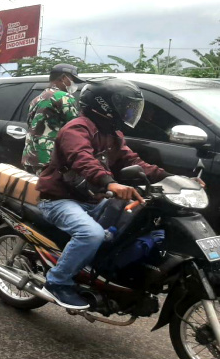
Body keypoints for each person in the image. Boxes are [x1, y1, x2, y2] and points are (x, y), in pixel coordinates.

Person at [36, 78, 205, 309]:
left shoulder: (113, 134)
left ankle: (100, 270)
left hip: (92, 199)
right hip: (60, 199)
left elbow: (135, 162)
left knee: (141, 217)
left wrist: (173, 179)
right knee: (91, 235)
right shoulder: (77, 128)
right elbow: (81, 158)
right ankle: (57, 282)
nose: (129, 111)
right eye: (125, 106)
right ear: (104, 105)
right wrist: (110, 183)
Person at [21, 63, 82, 175]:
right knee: (50, 191)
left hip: (30, 156)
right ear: (64, 78)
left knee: (33, 190)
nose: (73, 84)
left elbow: (31, 124)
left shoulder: (37, 99)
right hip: (49, 158)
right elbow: (75, 127)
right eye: (72, 80)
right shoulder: (64, 97)